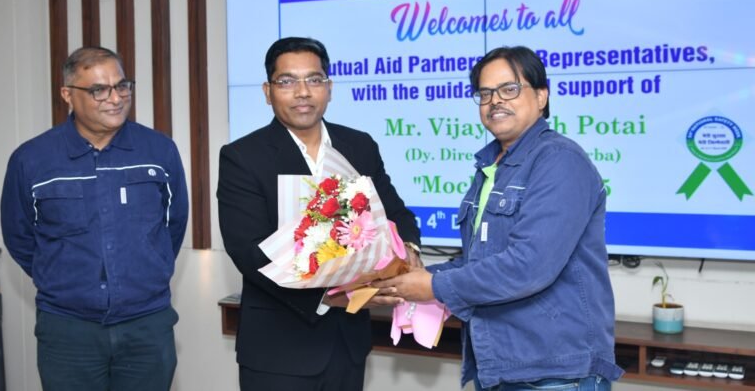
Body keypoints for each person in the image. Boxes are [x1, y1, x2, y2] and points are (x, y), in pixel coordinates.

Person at [374, 46, 624, 390]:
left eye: (509, 89)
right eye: (485, 93)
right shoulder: (492, 166)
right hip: (501, 364)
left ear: (541, 96)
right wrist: (407, 276)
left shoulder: (559, 161)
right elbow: (481, 261)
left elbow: (529, 265)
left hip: (555, 371)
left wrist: (432, 285)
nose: (495, 101)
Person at [217, 37, 421, 391]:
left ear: (329, 87)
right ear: (267, 91)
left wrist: (410, 252)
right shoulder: (243, 157)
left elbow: (395, 213)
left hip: (347, 345)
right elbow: (250, 255)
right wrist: (335, 296)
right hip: (278, 351)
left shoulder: (359, 145)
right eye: (287, 81)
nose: (302, 92)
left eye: (314, 79)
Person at [0, 46, 189, 391]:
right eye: (99, 90)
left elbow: (172, 225)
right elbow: (20, 236)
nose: (115, 98)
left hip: (147, 326)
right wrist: (62, 279)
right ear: (67, 95)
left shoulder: (159, 151)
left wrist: (146, 270)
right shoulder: (31, 159)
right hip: (68, 330)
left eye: (122, 86)